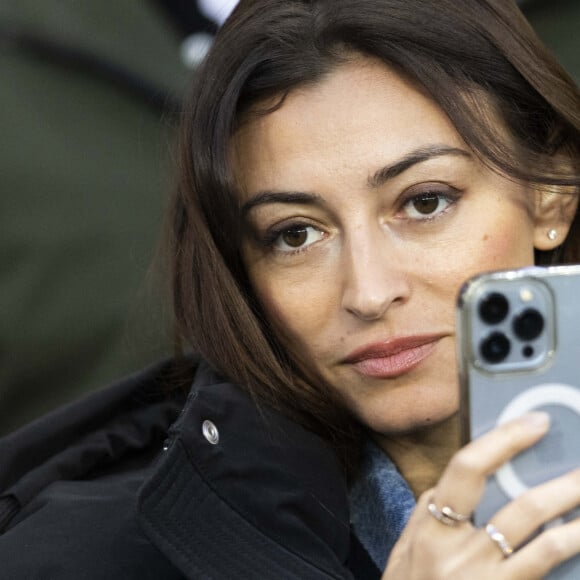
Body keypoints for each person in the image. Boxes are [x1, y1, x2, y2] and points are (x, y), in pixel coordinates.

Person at [0, 0, 579, 578]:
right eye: (296, 234)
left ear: (552, 190)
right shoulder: (91, 557)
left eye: (424, 202)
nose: (369, 292)